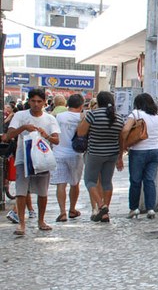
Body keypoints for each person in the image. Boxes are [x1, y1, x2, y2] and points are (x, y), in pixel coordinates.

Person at [5, 88, 60, 235]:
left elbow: (57, 139)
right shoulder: (20, 115)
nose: (36, 104)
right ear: (29, 101)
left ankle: (41, 220)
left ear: (43, 102)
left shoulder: (50, 119)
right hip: (23, 158)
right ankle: (21, 223)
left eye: (39, 101)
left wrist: (46, 135)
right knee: (21, 191)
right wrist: (23, 127)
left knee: (42, 192)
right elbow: (9, 134)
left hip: (42, 159)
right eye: (33, 101)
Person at [77, 91, 124, 223]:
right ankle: (105, 213)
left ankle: (101, 205)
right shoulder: (118, 117)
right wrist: (120, 156)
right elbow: (121, 139)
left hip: (95, 153)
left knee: (90, 181)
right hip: (112, 153)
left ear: (98, 102)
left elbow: (81, 133)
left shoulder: (92, 115)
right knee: (107, 182)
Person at [121, 93, 158, 219]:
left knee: (135, 181)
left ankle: (134, 208)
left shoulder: (136, 114)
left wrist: (125, 143)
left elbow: (125, 130)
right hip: (155, 150)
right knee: (150, 180)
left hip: (138, 151)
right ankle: (151, 209)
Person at [51, 93, 85, 222]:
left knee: (61, 183)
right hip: (75, 154)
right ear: (81, 105)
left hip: (58, 153)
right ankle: (72, 209)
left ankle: (62, 212)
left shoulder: (58, 116)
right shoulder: (83, 117)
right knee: (74, 183)